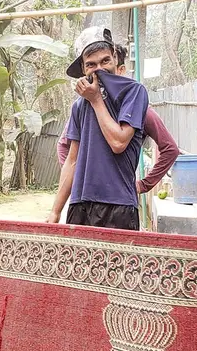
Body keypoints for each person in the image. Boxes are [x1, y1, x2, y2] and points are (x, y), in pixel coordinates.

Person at [47, 27, 150, 231]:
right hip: (81, 204)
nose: (99, 69)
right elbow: (72, 160)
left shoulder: (134, 92)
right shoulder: (79, 106)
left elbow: (118, 142)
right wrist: (55, 211)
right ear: (83, 69)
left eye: (105, 61)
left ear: (115, 58)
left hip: (118, 204)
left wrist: (95, 100)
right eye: (91, 65)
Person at [57, 45, 181, 196]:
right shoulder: (83, 107)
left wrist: (143, 185)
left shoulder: (139, 109)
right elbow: (64, 146)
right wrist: (76, 182)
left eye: (106, 62)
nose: (100, 72)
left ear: (119, 69)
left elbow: (170, 149)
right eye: (92, 65)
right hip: (86, 199)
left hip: (119, 199)